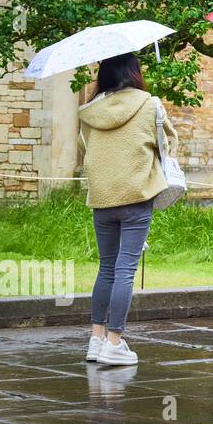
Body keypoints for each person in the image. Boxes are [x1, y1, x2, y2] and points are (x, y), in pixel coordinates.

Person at [78, 53, 179, 366]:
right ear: (134, 72)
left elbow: (86, 148)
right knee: (125, 270)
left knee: (106, 268)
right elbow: (169, 143)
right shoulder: (149, 104)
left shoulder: (88, 111)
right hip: (136, 197)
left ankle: (96, 340)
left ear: (104, 74)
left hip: (102, 198)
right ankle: (114, 342)